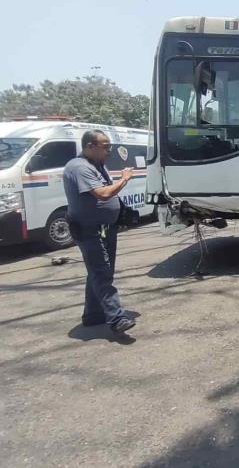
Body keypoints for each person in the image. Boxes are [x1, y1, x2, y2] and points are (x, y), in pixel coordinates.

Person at [63, 130, 136, 334]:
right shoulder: (79, 168)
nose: (109, 151)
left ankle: (93, 315)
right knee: (101, 272)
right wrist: (124, 179)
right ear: (90, 146)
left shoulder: (97, 165)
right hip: (89, 230)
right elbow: (103, 194)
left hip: (103, 228)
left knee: (99, 271)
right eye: (105, 146)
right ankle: (116, 318)